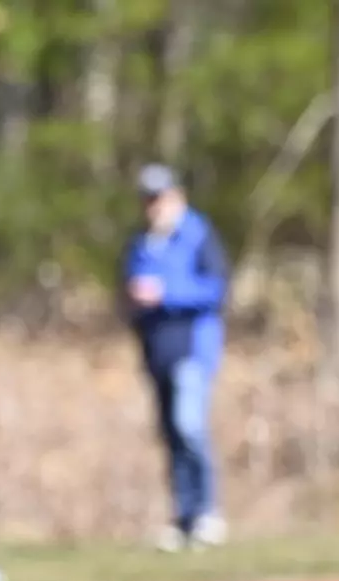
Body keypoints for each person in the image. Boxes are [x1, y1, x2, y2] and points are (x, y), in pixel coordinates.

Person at [122, 163, 228, 552]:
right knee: (169, 433)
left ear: (176, 196)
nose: (153, 206)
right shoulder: (141, 242)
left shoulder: (197, 234)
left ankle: (207, 512)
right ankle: (183, 516)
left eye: (159, 197)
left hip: (193, 348)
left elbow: (215, 289)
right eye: (147, 199)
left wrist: (166, 293)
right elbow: (129, 289)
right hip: (157, 350)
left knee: (190, 427)